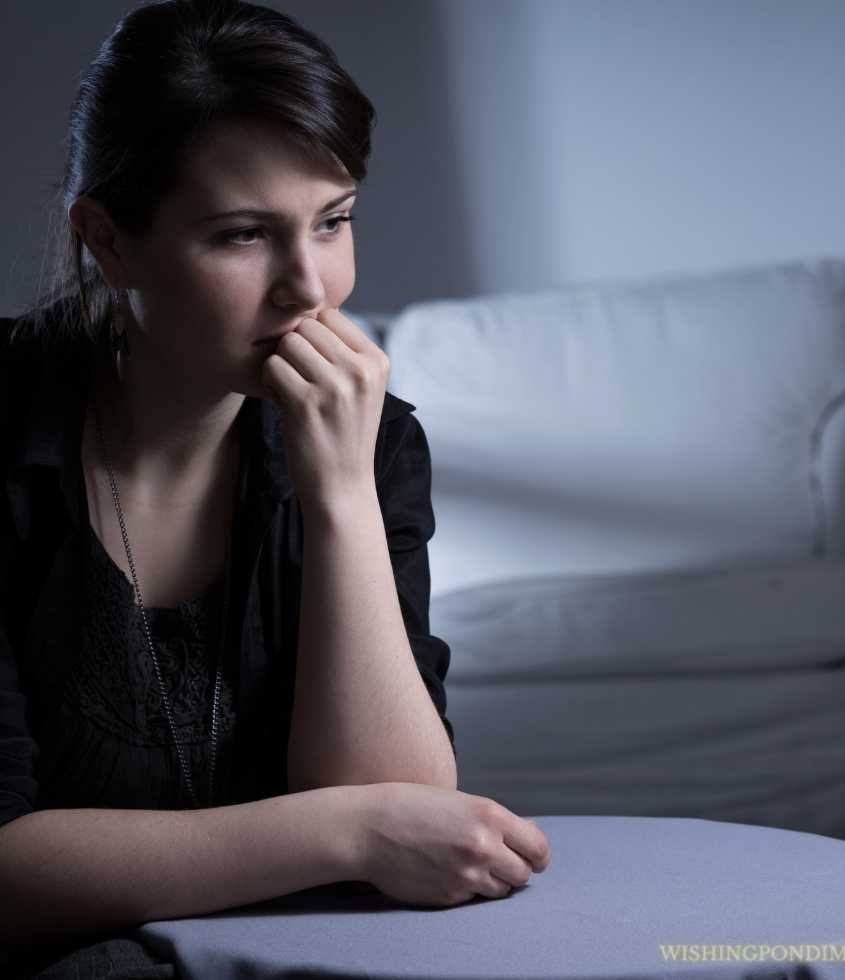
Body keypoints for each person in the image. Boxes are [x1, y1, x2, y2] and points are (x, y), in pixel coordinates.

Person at [0, 0, 550, 975]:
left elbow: (399, 807)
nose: (311, 285)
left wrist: (338, 492)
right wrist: (343, 833)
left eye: (333, 220)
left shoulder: (370, 442)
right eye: (244, 235)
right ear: (108, 239)